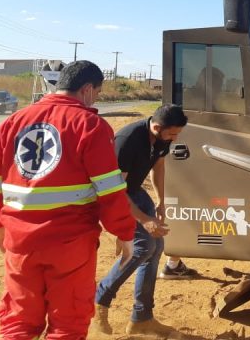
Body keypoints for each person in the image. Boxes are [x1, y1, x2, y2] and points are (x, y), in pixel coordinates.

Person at [0, 60, 135, 339]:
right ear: (86, 89)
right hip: (70, 243)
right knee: (68, 324)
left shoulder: (12, 123)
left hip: (19, 242)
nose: (94, 99)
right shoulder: (90, 125)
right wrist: (124, 233)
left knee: (18, 321)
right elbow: (110, 189)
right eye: (96, 92)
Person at [92, 104, 189, 337]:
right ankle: (100, 301)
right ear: (156, 127)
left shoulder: (162, 137)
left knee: (156, 248)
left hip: (133, 190)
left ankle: (142, 318)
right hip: (111, 194)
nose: (175, 139)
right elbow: (114, 191)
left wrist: (161, 200)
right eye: (173, 134)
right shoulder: (128, 141)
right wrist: (145, 219)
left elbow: (159, 166)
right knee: (143, 247)